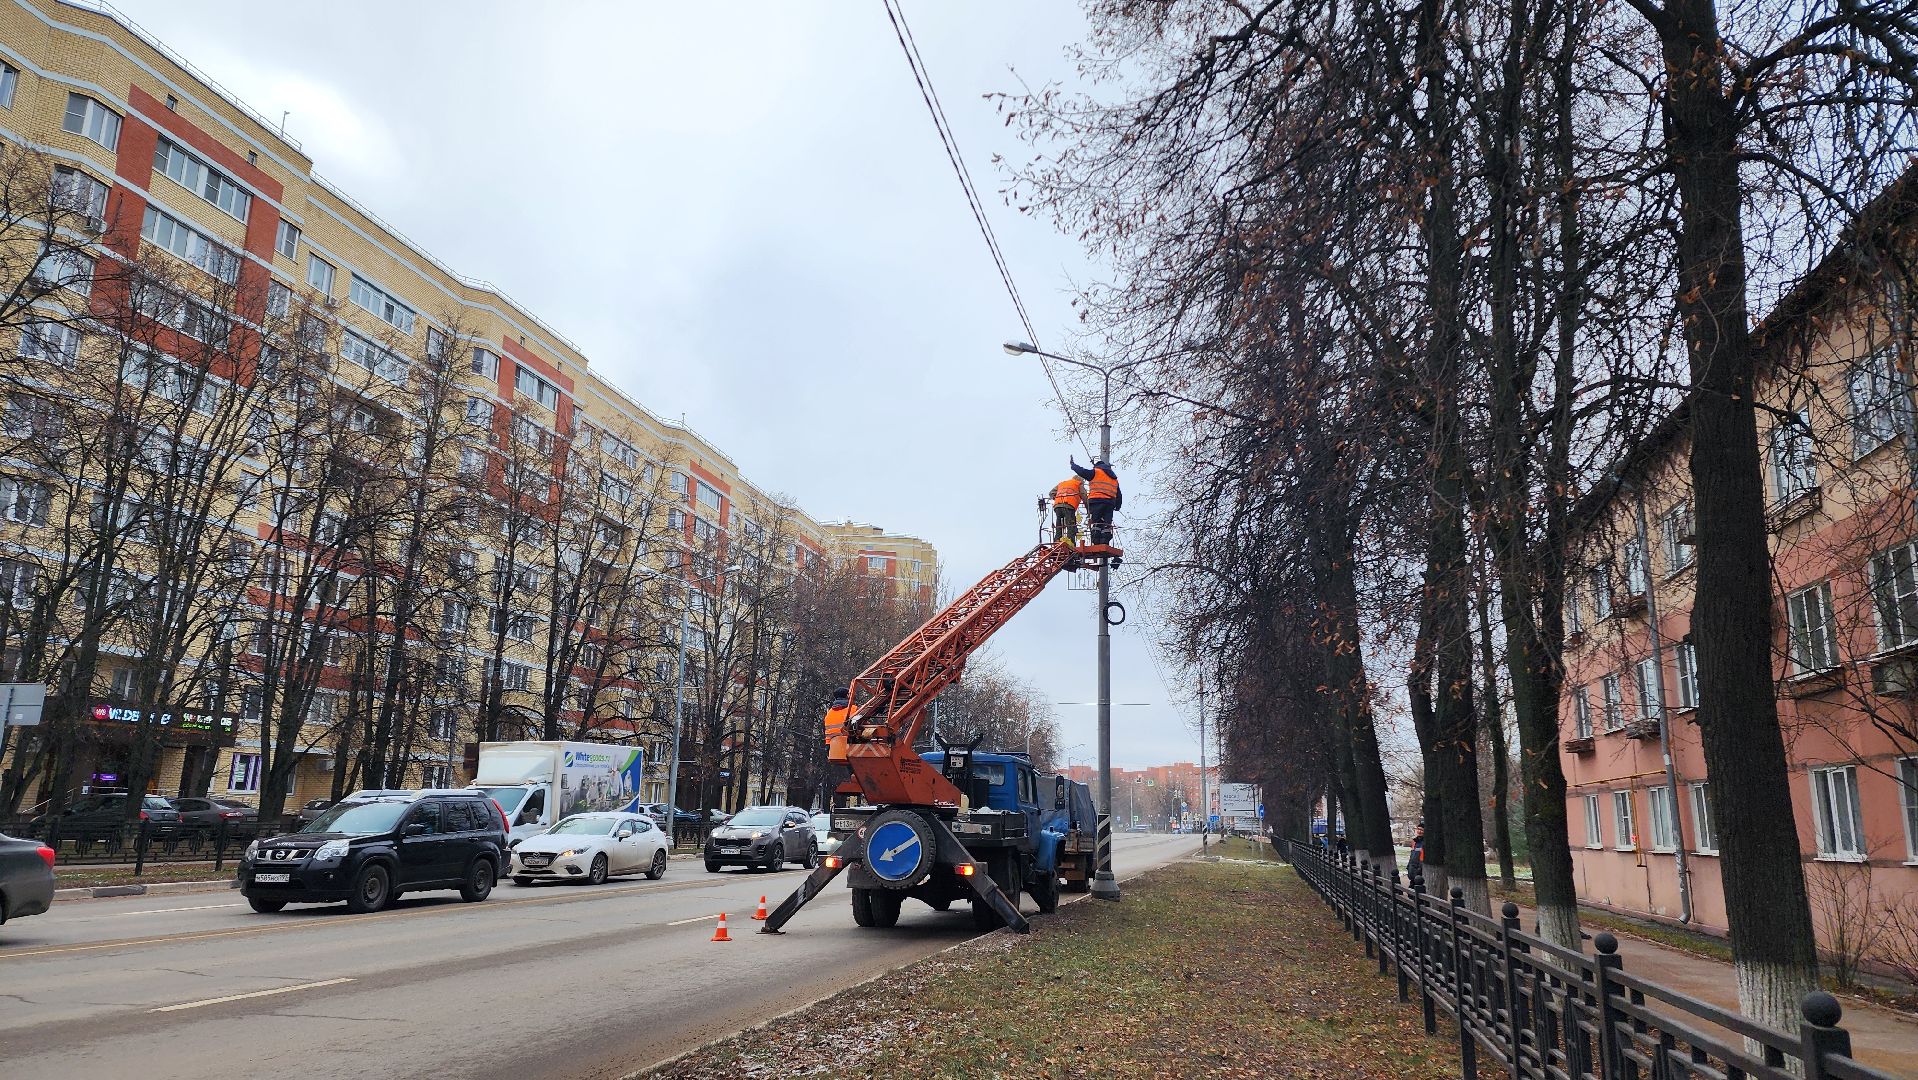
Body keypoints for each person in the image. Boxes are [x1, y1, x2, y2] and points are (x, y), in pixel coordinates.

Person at [1070, 457, 1122, 545]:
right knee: (1107, 524)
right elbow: (1119, 494)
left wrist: (1073, 465)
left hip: (1096, 501)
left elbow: (1082, 472)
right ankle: (1104, 541)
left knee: (1097, 522)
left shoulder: (1096, 472)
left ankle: (1096, 540)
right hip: (1109, 504)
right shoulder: (1114, 478)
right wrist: (1118, 506)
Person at [1050, 475, 1086, 544]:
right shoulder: (1078, 484)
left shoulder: (1062, 483)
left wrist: (1058, 498)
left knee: (1059, 523)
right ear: (1081, 480)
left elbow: (1051, 493)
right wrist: (1088, 509)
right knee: (1070, 524)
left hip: (1057, 506)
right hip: (1068, 505)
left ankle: (1057, 540)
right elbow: (1084, 496)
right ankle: (1071, 541)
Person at [824, 688, 853, 763]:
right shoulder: (853, 709)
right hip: (849, 745)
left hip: (830, 747)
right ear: (847, 696)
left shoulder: (829, 713)